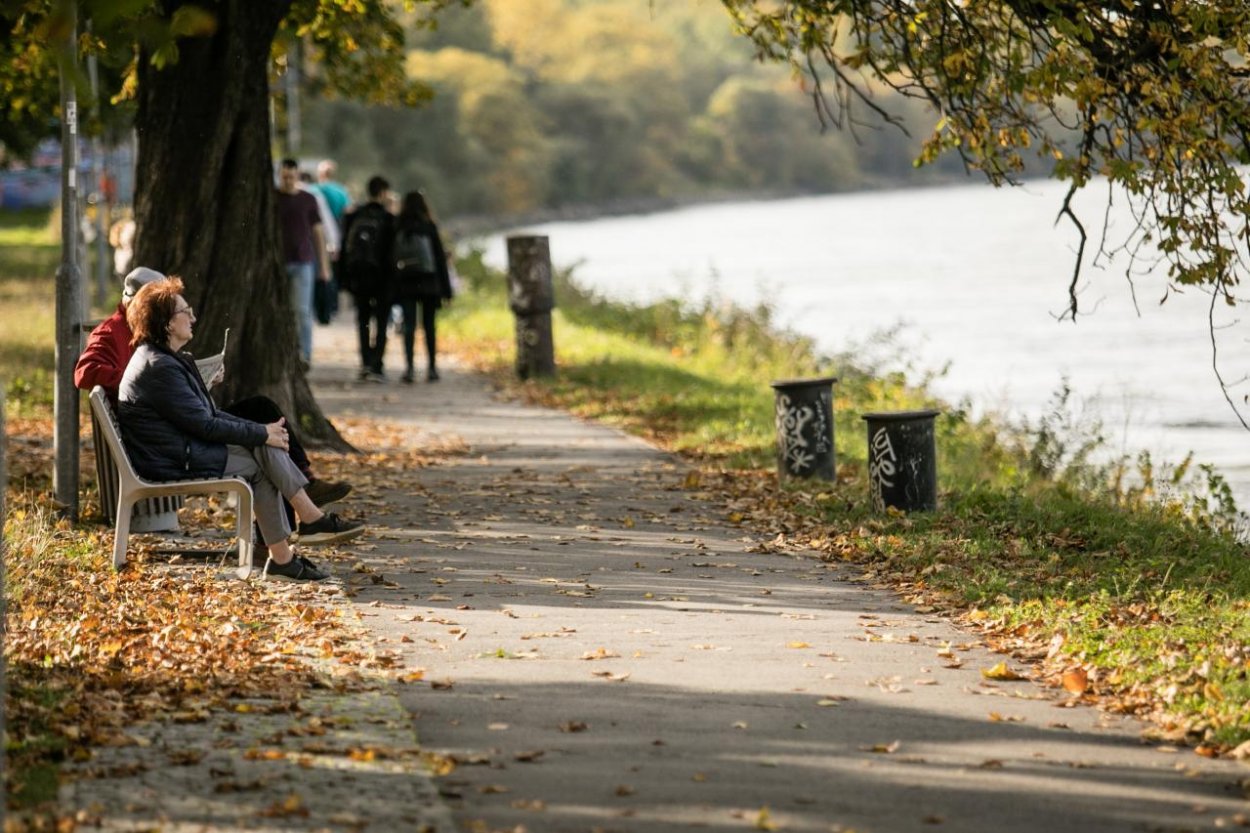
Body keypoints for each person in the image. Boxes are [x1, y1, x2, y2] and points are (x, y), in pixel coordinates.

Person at [117, 277, 363, 581]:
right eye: (185, 311)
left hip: (178, 450)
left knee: (264, 445)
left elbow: (208, 414)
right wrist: (262, 433)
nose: (193, 317)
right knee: (262, 460)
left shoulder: (165, 360)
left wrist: (263, 431)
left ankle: (295, 542)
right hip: (171, 460)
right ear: (167, 324)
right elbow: (206, 424)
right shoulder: (160, 367)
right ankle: (301, 532)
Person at [75, 266, 353, 510]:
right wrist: (141, 382)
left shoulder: (155, 340)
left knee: (261, 412)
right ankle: (296, 516)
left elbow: (171, 388)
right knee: (263, 444)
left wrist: (195, 379)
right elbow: (84, 373)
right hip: (164, 436)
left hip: (174, 422)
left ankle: (302, 487)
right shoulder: (113, 333)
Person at [392, 191, 454, 383]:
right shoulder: (429, 226)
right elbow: (440, 260)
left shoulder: (398, 225)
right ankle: (432, 368)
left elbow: (391, 258)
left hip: (406, 282)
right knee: (429, 326)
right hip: (429, 283)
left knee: (409, 326)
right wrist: (447, 290)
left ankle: (409, 368)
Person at [276, 158, 331, 367]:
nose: (288, 181)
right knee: (282, 310)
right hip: (278, 263)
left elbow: (318, 233)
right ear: (280, 175)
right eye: (284, 177)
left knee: (302, 311)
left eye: (292, 177)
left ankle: (305, 355)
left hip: (303, 262)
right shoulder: (272, 197)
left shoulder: (308, 199)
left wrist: (324, 267)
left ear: (297, 176)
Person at [341, 175, 395, 382]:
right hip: (382, 278)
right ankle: (377, 365)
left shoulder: (354, 215)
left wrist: (345, 278)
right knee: (381, 321)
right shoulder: (388, 218)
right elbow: (392, 251)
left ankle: (364, 362)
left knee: (363, 319)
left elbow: (346, 246)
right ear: (382, 193)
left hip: (359, 276)